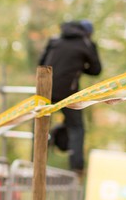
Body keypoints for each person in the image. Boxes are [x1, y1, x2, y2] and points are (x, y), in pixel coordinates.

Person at [39, 19, 102, 177]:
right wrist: (79, 66)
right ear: (88, 32)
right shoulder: (86, 44)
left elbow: (40, 63)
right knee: (76, 128)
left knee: (40, 124)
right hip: (68, 92)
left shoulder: (55, 40)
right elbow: (96, 70)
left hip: (44, 88)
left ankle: (35, 161)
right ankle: (77, 168)